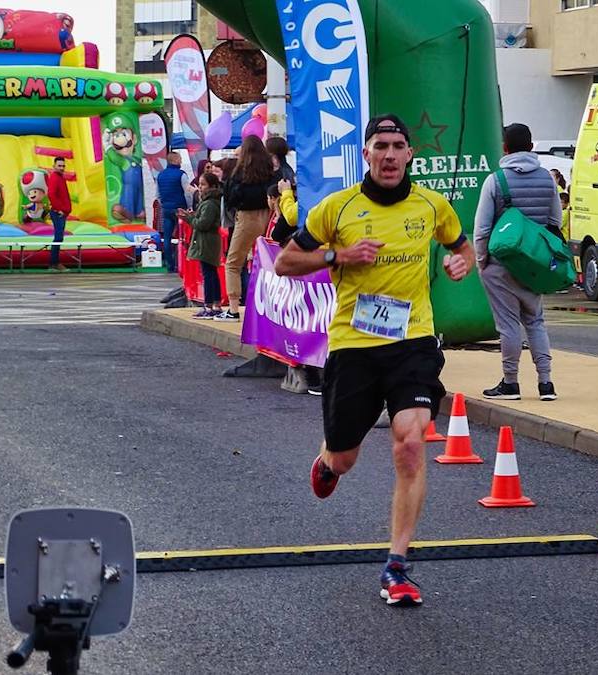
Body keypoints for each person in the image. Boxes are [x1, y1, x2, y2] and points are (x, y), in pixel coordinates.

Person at [274, 114, 474, 606]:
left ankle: (397, 565)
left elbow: (462, 248)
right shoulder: (336, 209)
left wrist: (459, 263)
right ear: (366, 154)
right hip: (354, 346)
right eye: (379, 145)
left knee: (410, 442)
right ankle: (328, 458)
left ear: (410, 155)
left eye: (397, 146)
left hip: (413, 341)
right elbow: (284, 262)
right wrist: (336, 258)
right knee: (345, 458)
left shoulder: (432, 205)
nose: (388, 154)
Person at [474, 123, 560, 402]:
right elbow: (555, 222)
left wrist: (481, 261)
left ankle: (510, 383)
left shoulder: (495, 181)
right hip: (533, 266)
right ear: (532, 147)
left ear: (505, 148)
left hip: (500, 265)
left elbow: (482, 229)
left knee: (508, 325)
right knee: (536, 321)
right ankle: (546, 383)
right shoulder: (548, 179)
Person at [220, 135, 274, 321]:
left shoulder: (239, 173)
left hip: (246, 217)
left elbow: (230, 198)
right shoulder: (270, 170)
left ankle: (233, 309)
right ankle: (269, 307)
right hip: (268, 216)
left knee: (233, 263)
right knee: (269, 262)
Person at [179, 173, 223, 319]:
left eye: (203, 184)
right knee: (211, 273)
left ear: (211, 186)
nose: (200, 187)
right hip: (209, 241)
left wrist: (188, 218)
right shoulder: (212, 202)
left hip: (206, 242)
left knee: (208, 274)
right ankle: (215, 305)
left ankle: (209, 306)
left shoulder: (209, 204)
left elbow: (203, 224)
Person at [156, 152, 191, 273]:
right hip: (180, 209)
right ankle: (182, 264)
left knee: (167, 237)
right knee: (183, 237)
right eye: (180, 159)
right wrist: (189, 207)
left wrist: (164, 205)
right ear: (175, 160)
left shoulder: (160, 175)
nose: (181, 161)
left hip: (166, 209)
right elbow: (187, 192)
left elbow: (158, 195)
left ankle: (170, 265)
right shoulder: (181, 175)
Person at [47, 156, 71, 272]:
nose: (62, 168)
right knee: (58, 237)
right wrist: (60, 209)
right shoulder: (55, 178)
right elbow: (51, 194)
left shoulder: (60, 178)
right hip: (58, 213)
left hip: (61, 212)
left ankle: (54, 262)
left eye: (63, 166)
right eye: (59, 166)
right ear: (54, 166)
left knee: (59, 237)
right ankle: (54, 263)